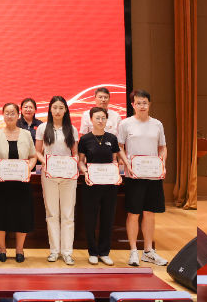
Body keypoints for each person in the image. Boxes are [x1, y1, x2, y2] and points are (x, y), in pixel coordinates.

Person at [118, 89, 168, 266]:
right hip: (134, 175)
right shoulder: (126, 124)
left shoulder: (157, 124)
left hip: (153, 175)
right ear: (133, 105)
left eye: (145, 103)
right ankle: (133, 251)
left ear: (149, 104)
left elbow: (163, 148)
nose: (142, 106)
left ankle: (148, 251)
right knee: (133, 213)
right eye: (138, 103)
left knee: (150, 213)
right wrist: (127, 164)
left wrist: (162, 164)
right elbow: (120, 147)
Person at [0, 101, 37, 262]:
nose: (9, 116)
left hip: (21, 182)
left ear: (18, 115)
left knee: (22, 214)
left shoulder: (26, 134)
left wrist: (28, 168)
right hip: (1, 182)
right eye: (7, 113)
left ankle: (19, 250)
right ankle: (2, 249)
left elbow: (33, 156)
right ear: (2, 115)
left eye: (13, 113)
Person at [37, 95, 79, 264]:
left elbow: (75, 153)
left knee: (68, 214)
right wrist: (46, 162)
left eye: (61, 108)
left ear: (66, 110)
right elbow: (37, 151)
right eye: (55, 107)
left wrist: (73, 162)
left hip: (68, 176)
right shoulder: (42, 128)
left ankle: (67, 252)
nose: (58, 111)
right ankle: (54, 251)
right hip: (49, 175)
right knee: (52, 213)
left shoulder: (72, 129)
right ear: (50, 109)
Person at [79, 105, 120, 265]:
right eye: (97, 118)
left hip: (109, 185)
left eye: (103, 118)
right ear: (91, 120)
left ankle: (104, 252)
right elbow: (81, 161)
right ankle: (93, 252)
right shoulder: (85, 139)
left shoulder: (112, 138)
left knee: (107, 218)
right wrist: (86, 173)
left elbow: (115, 161)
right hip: (91, 184)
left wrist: (117, 174)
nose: (100, 120)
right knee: (90, 219)